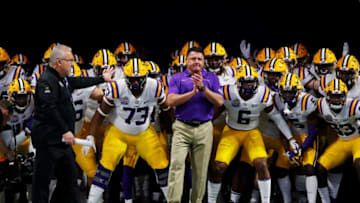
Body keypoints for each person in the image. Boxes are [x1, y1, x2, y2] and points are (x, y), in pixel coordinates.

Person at [31, 44, 114, 203]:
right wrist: (65, 130)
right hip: (49, 140)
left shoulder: (61, 79)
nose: (73, 63)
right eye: (69, 60)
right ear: (58, 62)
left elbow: (78, 81)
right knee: (42, 182)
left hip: (63, 142)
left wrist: (102, 79)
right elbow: (50, 108)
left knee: (69, 181)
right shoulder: (46, 81)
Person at [87, 58, 170, 203]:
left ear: (146, 77)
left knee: (162, 165)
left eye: (138, 79)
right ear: (125, 77)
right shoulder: (117, 87)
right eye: (131, 79)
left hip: (143, 131)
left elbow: (167, 110)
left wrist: (174, 128)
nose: (135, 83)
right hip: (118, 131)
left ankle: (172, 199)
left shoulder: (155, 86)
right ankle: (92, 200)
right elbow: (101, 113)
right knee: (105, 166)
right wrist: (91, 136)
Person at [167, 46, 223, 203]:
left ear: (204, 62)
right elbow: (170, 100)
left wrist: (203, 89)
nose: (196, 62)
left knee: (200, 171)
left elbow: (219, 101)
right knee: (176, 166)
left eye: (199, 59)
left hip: (204, 127)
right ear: (186, 61)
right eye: (193, 59)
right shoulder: (177, 78)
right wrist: (191, 93)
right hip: (182, 127)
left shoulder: (211, 78)